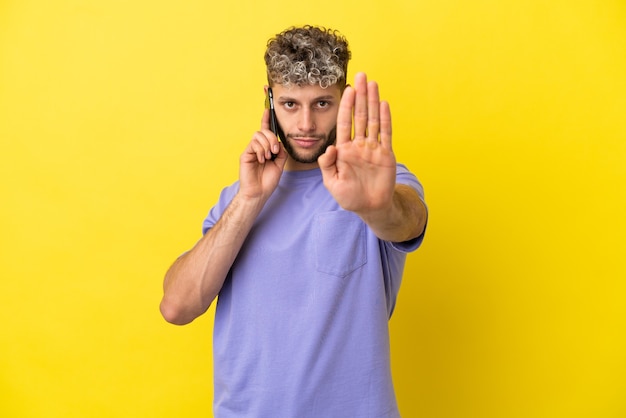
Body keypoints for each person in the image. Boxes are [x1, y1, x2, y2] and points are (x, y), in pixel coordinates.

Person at [160, 25, 428, 418]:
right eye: (290, 104)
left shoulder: (378, 183)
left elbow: (407, 220)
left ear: (344, 102)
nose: (305, 124)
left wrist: (375, 207)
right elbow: (176, 307)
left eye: (322, 104)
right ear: (268, 102)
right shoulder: (237, 199)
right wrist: (250, 199)